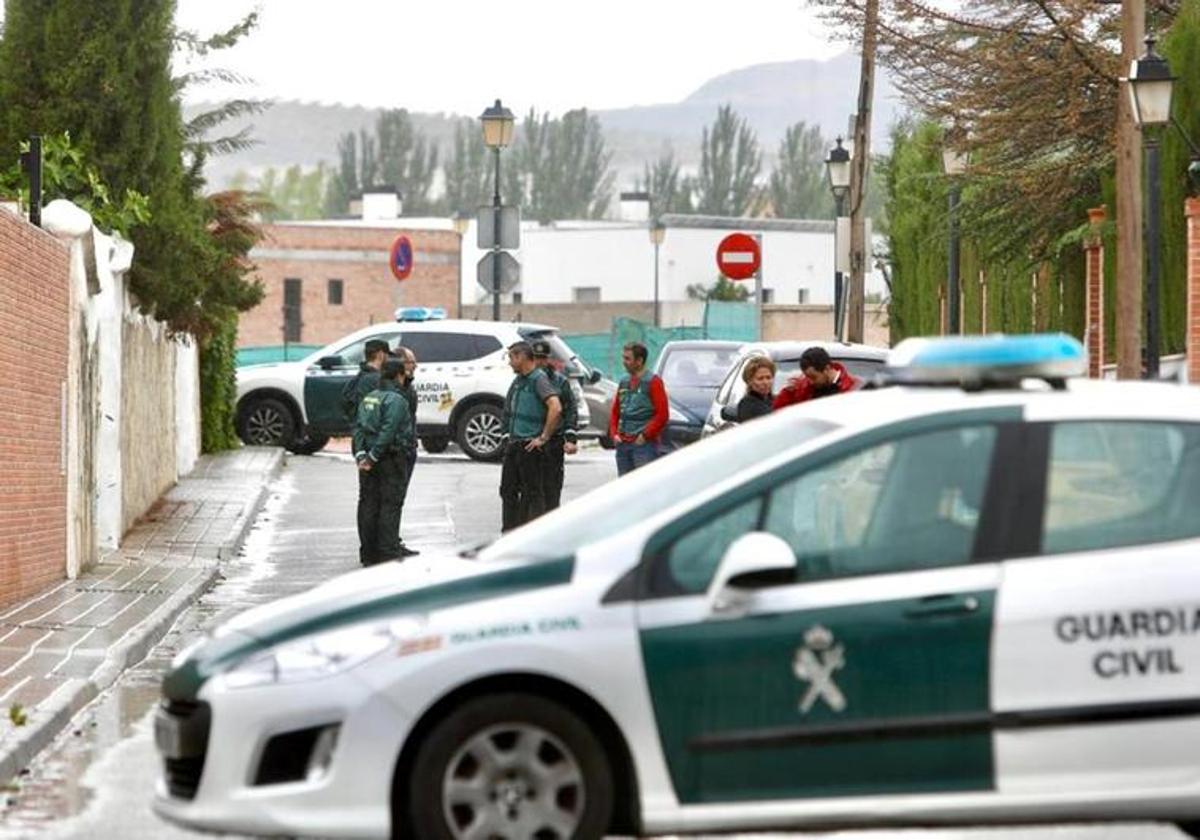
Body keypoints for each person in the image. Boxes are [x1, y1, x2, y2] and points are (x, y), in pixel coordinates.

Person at [352, 358, 414, 566]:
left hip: (368, 461)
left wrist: (362, 455)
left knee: (368, 505)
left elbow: (359, 428)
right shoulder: (397, 400)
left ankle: (368, 553)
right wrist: (373, 456)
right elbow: (389, 431)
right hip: (390, 459)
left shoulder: (370, 398)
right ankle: (387, 553)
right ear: (399, 375)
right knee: (390, 505)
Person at [499, 341, 562, 531]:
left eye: (512, 357)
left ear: (522, 357)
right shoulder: (518, 381)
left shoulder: (538, 379)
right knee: (507, 491)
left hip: (530, 447)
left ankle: (532, 535)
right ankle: (509, 532)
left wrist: (543, 437)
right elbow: (508, 410)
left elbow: (555, 406)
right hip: (515, 444)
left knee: (532, 494)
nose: (510, 362)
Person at [531, 339, 578, 511]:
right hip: (530, 440)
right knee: (530, 491)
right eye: (536, 358)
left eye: (542, 358)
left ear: (548, 359)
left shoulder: (560, 382)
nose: (539, 362)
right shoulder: (525, 381)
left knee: (552, 489)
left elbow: (570, 410)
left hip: (553, 441)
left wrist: (571, 438)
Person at [609, 341, 669, 476]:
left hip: (644, 446)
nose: (624, 362)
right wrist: (614, 434)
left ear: (639, 361)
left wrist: (645, 435)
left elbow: (663, 415)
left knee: (644, 486)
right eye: (623, 358)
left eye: (627, 358)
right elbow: (616, 411)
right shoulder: (624, 382)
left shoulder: (654, 382)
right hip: (623, 444)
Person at [393, 346, 420, 558]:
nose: (415, 365)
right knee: (394, 498)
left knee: (397, 498)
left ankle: (392, 540)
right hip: (402, 448)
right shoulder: (400, 389)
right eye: (411, 362)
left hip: (408, 446)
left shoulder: (406, 386)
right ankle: (390, 543)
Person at [773, 346, 860, 409]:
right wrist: (788, 393)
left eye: (813, 377)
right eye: (807, 376)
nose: (810, 381)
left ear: (827, 369)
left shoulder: (853, 389)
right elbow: (777, 413)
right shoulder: (801, 387)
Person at [341, 339, 391, 425]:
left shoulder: (355, 380)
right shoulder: (377, 380)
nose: (389, 359)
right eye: (387, 355)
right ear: (380, 355)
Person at [737, 356, 776, 421]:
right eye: (760, 379)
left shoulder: (774, 399)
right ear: (750, 381)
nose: (765, 382)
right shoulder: (747, 405)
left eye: (768, 377)